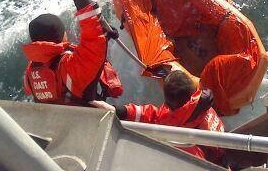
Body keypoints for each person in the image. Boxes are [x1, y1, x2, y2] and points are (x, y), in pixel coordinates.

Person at [22, 0, 123, 105]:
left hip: (57, 121)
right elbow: (94, 41)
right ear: (62, 36)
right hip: (86, 121)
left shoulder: (30, 72)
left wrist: (104, 33)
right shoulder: (69, 67)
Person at [91, 70, 226, 166]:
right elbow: (154, 115)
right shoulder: (201, 104)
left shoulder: (187, 145)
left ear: (171, 105)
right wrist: (117, 111)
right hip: (219, 156)